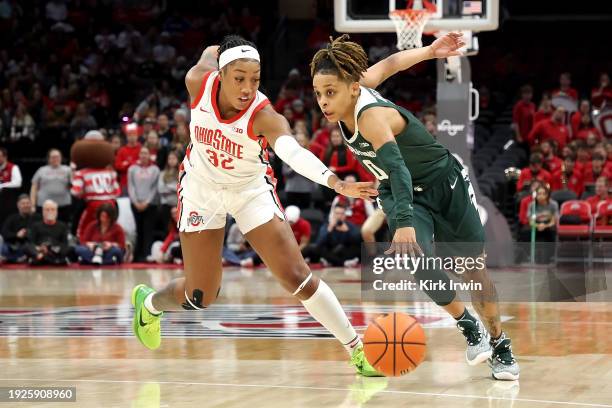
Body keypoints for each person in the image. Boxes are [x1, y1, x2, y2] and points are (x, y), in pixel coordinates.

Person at [131, 34, 380, 377]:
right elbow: (209, 51)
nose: (248, 88)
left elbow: (292, 152)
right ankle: (148, 304)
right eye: (239, 78)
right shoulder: (197, 81)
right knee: (200, 295)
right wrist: (221, 48)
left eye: (255, 79)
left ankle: (356, 349)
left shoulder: (264, 116)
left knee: (297, 276)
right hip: (201, 187)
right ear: (220, 74)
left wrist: (335, 182)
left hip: (249, 190)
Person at [310, 33, 519, 380]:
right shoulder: (358, 86)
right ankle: (469, 326)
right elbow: (392, 63)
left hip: (443, 184)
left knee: (472, 270)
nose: (323, 101)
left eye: (330, 92)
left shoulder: (371, 118)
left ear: (352, 88)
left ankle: (500, 343)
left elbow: (399, 168)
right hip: (400, 190)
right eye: (318, 93)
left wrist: (403, 222)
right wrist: (429, 51)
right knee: (416, 258)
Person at [128, 147, 160, 262]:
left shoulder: (155, 169)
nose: (143, 155)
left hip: (150, 204)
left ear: (149, 155)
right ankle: (137, 255)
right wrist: (136, 202)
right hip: (135, 203)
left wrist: (147, 202)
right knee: (138, 229)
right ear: (139, 155)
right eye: (141, 153)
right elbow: (130, 186)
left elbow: (154, 188)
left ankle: (147, 255)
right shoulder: (132, 169)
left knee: (148, 230)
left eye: (146, 153)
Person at [30, 148, 72, 224]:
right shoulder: (41, 170)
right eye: (53, 157)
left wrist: (74, 171)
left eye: (58, 156)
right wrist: (33, 204)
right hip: (44, 205)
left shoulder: (68, 170)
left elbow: (74, 184)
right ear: (48, 159)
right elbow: (34, 187)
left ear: (61, 158)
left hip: (63, 206)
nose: (56, 159)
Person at [24, 199, 70, 265]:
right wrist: (39, 248)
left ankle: (46, 258)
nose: (50, 212)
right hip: (40, 250)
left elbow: (65, 244)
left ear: (56, 212)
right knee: (26, 246)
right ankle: (40, 256)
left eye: (52, 209)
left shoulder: (62, 226)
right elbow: (31, 242)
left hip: (55, 250)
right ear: (43, 211)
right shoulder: (36, 226)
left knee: (69, 248)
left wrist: (51, 248)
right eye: (47, 209)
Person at [0, 194, 41, 263]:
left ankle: (16, 258)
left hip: (32, 246)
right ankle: (19, 258)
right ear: (18, 205)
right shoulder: (11, 218)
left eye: (27, 203)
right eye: (23, 203)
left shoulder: (38, 218)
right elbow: (4, 233)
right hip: (15, 245)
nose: (25, 205)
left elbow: (42, 233)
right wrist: (16, 235)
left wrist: (30, 234)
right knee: (4, 248)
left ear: (31, 204)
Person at [0, 147, 23, 222]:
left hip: (8, 202)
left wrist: (2, 185)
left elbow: (18, 183)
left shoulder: (13, 167)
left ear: (5, 157)